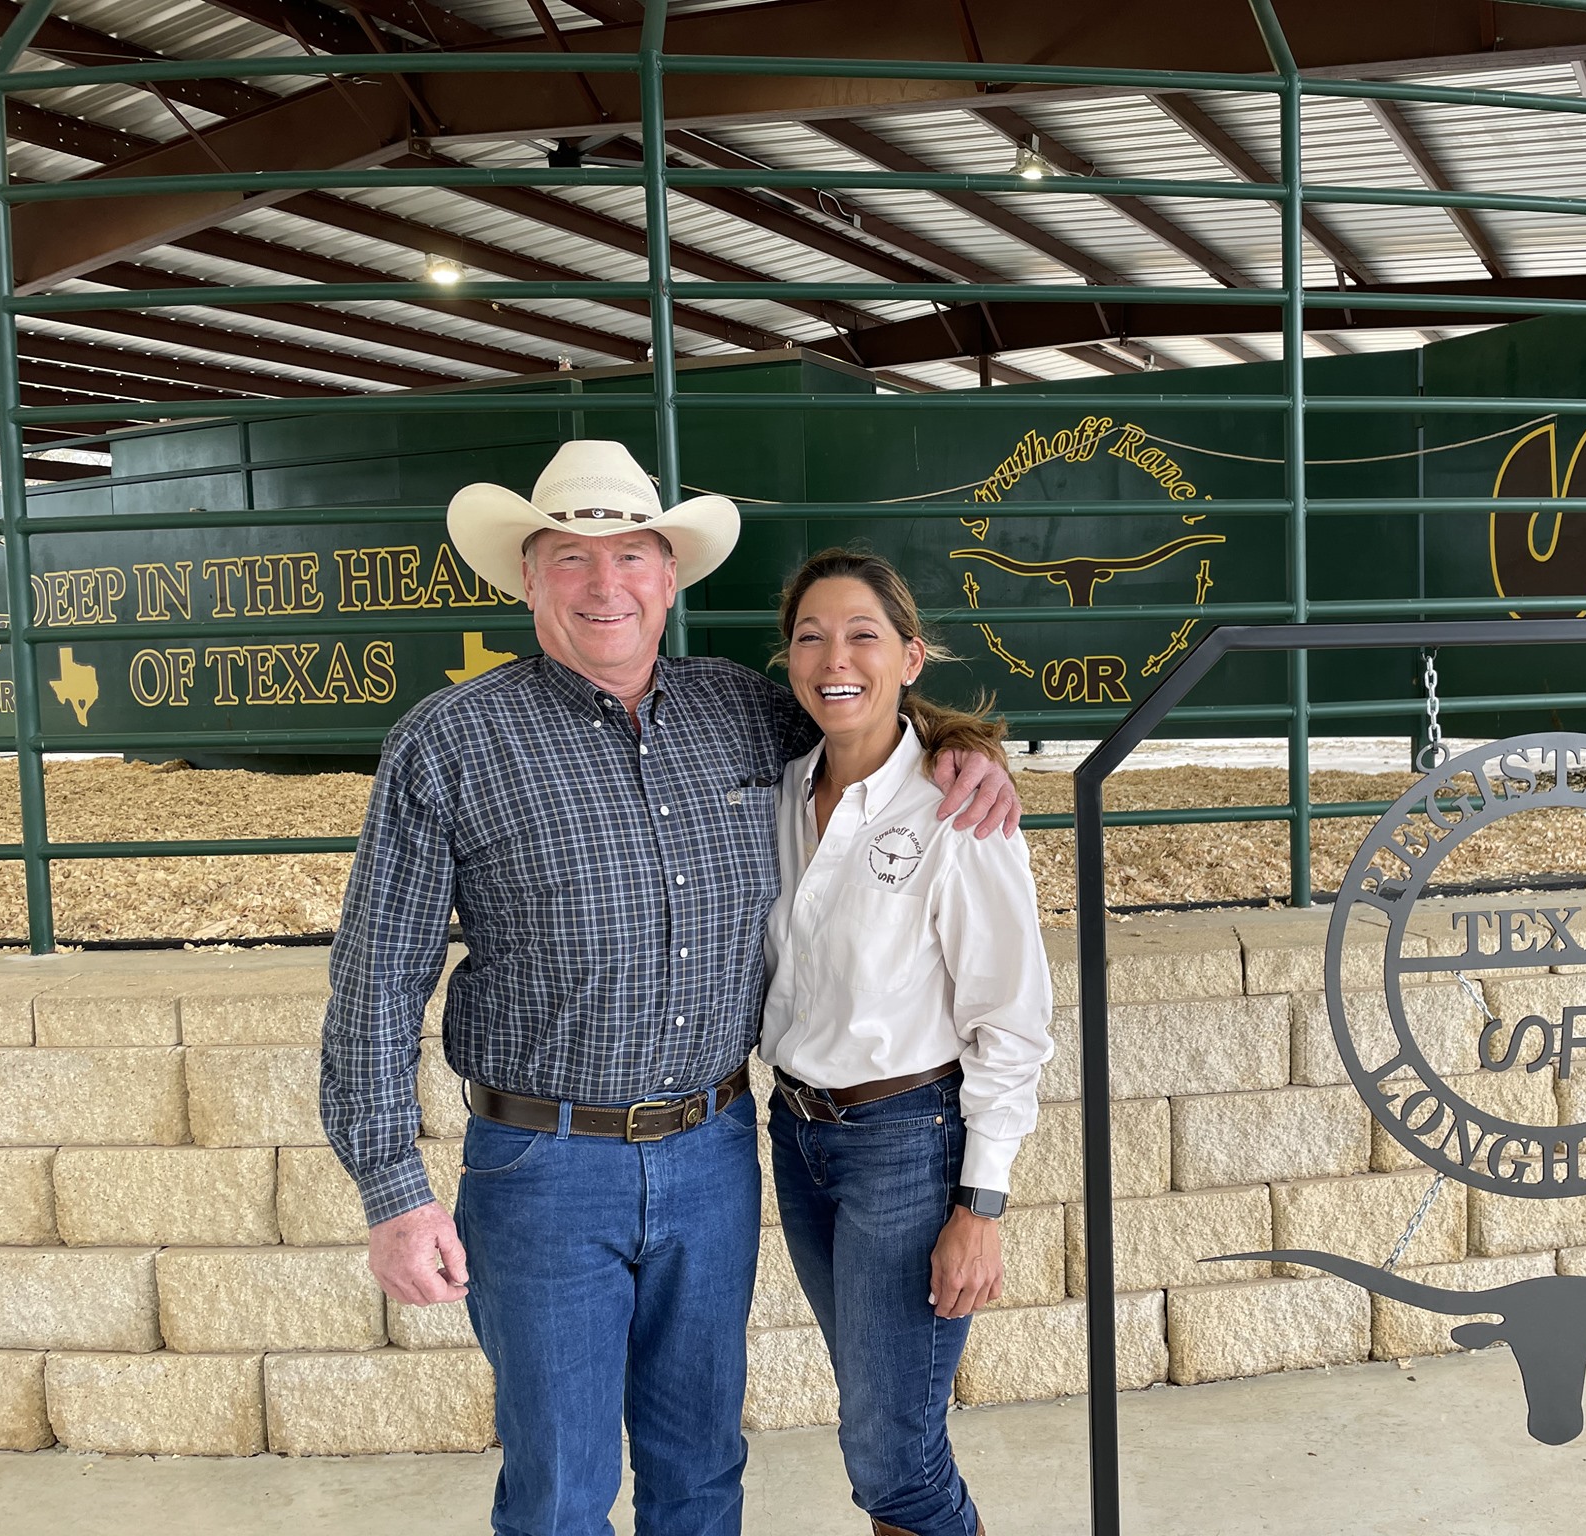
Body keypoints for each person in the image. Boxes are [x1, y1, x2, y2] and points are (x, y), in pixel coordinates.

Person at [319, 441, 1020, 1536]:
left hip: (712, 1154)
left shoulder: (744, 712)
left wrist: (965, 753)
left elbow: (866, 727)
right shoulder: (447, 745)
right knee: (557, 1489)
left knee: (700, 1464)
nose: (606, 585)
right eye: (570, 558)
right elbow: (374, 982)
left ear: (669, 574)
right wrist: (392, 1192)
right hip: (541, 1168)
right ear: (527, 578)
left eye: (632, 555)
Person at [761, 549, 1053, 1536]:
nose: (833, 657)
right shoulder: (780, 788)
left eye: (861, 635)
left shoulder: (955, 810)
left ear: (910, 657)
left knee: (894, 1454)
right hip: (796, 1137)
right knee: (883, 1425)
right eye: (809, 635)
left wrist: (980, 1202)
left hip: (904, 1144)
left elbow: (1010, 1020)